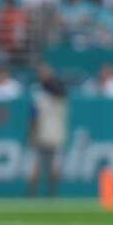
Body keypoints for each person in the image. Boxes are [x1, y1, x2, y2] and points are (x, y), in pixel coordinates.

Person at [28, 63, 68, 196]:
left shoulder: (42, 96)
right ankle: (46, 193)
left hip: (48, 133)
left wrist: (31, 132)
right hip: (51, 133)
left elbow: (34, 117)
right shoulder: (56, 98)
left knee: (45, 165)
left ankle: (41, 193)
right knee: (43, 165)